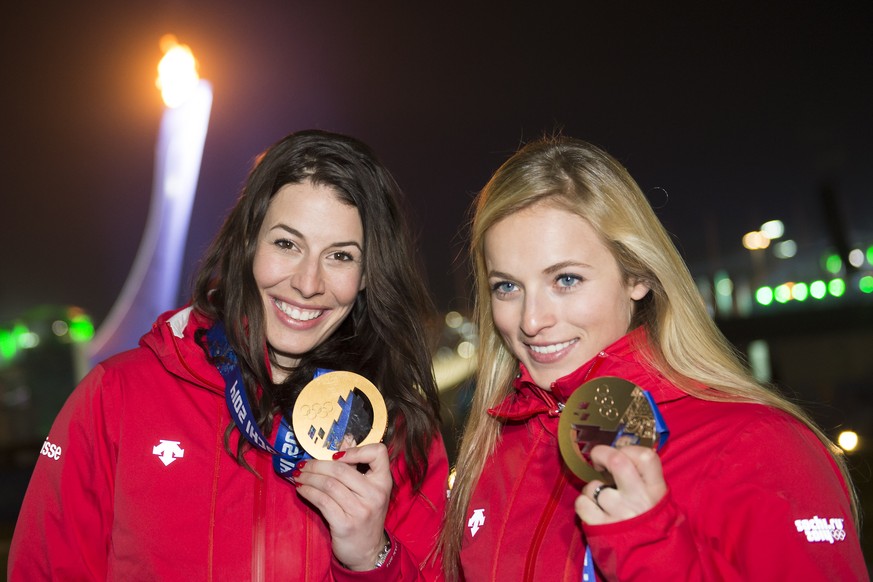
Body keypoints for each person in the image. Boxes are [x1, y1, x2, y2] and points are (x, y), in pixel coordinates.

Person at [9, 129, 448, 581]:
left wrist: (373, 560)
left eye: (339, 255)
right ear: (246, 243)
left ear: (368, 273)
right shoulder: (116, 396)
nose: (309, 282)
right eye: (286, 244)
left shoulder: (399, 430)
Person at [440, 135, 867, 580]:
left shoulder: (760, 446)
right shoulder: (496, 446)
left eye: (566, 278)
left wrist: (647, 543)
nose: (531, 320)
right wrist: (375, 557)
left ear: (637, 275)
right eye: (507, 286)